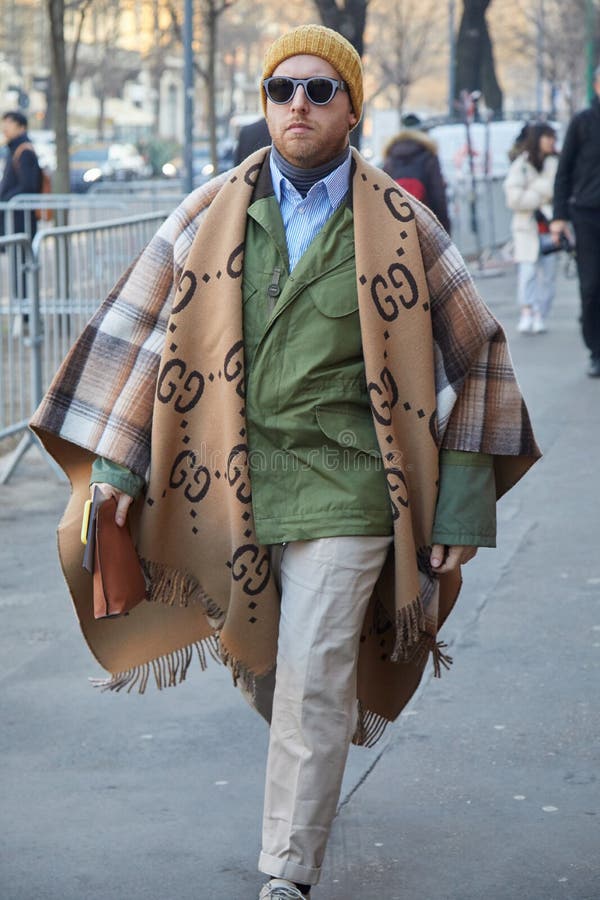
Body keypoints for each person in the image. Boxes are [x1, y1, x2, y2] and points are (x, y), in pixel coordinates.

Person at [30, 25, 540, 900]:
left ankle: (286, 872)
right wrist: (116, 470)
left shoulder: (405, 224)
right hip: (221, 485)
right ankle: (313, 763)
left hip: (351, 487)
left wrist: (459, 510)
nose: (296, 105)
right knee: (280, 677)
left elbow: (482, 354)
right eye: (279, 89)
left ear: (352, 108)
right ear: (263, 104)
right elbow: (139, 338)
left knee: (313, 676)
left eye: (317, 90)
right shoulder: (204, 211)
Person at [551, 65, 600, 377]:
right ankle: (597, 350)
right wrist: (559, 218)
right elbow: (563, 172)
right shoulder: (583, 123)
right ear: (596, 85)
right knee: (592, 285)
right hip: (588, 215)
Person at [503, 122, 559, 334]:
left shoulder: (555, 163)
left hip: (551, 228)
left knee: (549, 277)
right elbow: (513, 198)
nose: (552, 141)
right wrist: (541, 194)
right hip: (527, 228)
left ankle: (540, 313)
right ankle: (528, 311)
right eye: (548, 137)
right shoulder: (522, 164)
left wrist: (531, 188)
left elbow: (557, 188)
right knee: (527, 273)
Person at [382, 115, 451, 233]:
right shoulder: (429, 155)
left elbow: (382, 195)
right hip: (425, 226)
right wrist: (445, 228)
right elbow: (438, 195)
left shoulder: (390, 157)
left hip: (397, 228)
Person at [0, 110, 42, 240]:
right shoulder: (13, 148)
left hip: (20, 216)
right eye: (4, 123)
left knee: (22, 255)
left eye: (10, 123)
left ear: (21, 128)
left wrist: (6, 200)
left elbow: (28, 185)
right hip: (14, 214)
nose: (5, 127)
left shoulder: (24, 151)